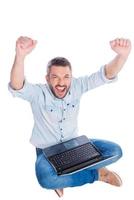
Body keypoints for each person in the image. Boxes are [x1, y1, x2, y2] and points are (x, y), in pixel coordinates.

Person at [9, 36, 131, 197]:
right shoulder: (38, 93)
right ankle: (97, 174)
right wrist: (20, 56)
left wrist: (123, 55)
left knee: (115, 151)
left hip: (75, 146)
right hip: (47, 152)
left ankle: (65, 174)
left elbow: (106, 74)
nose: (61, 82)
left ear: (71, 77)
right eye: (55, 77)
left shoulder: (78, 86)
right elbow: (18, 86)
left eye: (66, 76)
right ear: (47, 79)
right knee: (46, 179)